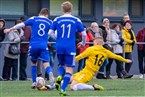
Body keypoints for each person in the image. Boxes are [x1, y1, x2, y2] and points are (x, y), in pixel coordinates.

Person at [4, 8, 55, 88]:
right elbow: (52, 34)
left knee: (34, 63)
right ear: (47, 15)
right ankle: (50, 73)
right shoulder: (49, 22)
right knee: (46, 63)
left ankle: (34, 82)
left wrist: (10, 29)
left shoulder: (34, 18)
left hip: (33, 45)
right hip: (43, 45)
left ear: (40, 13)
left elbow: (21, 24)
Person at [48, 1, 86, 96]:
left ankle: (59, 76)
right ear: (71, 9)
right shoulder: (76, 20)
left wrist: (58, 38)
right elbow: (84, 33)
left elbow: (49, 33)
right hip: (70, 47)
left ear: (62, 10)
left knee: (61, 65)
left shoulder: (57, 19)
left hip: (59, 45)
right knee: (69, 69)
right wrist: (83, 43)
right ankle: (63, 90)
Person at [19, 16, 31, 80]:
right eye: (22, 21)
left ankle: (23, 76)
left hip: (25, 49)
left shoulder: (28, 29)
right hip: (17, 49)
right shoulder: (18, 28)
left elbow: (30, 38)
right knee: (14, 64)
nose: (23, 22)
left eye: (24, 21)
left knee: (23, 64)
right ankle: (14, 76)